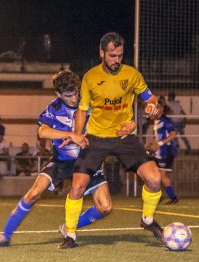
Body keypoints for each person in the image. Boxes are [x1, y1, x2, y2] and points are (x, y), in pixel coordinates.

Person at [0, 70, 112, 248]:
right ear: (59, 94)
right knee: (34, 193)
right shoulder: (55, 108)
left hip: (87, 161)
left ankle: (68, 227)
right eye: (68, 95)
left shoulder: (90, 103)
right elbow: (42, 131)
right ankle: (5, 236)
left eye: (75, 92)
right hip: (61, 161)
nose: (73, 98)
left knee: (105, 207)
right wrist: (71, 135)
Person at [60, 32, 162, 249]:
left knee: (154, 179)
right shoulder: (90, 77)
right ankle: (70, 235)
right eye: (112, 55)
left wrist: (152, 106)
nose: (117, 60)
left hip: (124, 137)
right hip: (96, 138)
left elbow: (150, 98)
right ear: (102, 53)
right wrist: (78, 135)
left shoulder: (132, 75)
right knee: (77, 186)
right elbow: (82, 110)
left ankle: (148, 220)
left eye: (120, 56)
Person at [145, 101, 179, 205]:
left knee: (162, 176)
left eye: (158, 107)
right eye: (155, 107)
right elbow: (159, 137)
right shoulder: (156, 121)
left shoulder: (165, 121)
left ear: (162, 110)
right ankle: (157, 195)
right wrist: (151, 144)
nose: (156, 109)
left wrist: (159, 143)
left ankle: (173, 197)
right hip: (158, 152)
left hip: (166, 152)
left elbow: (173, 134)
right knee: (155, 175)